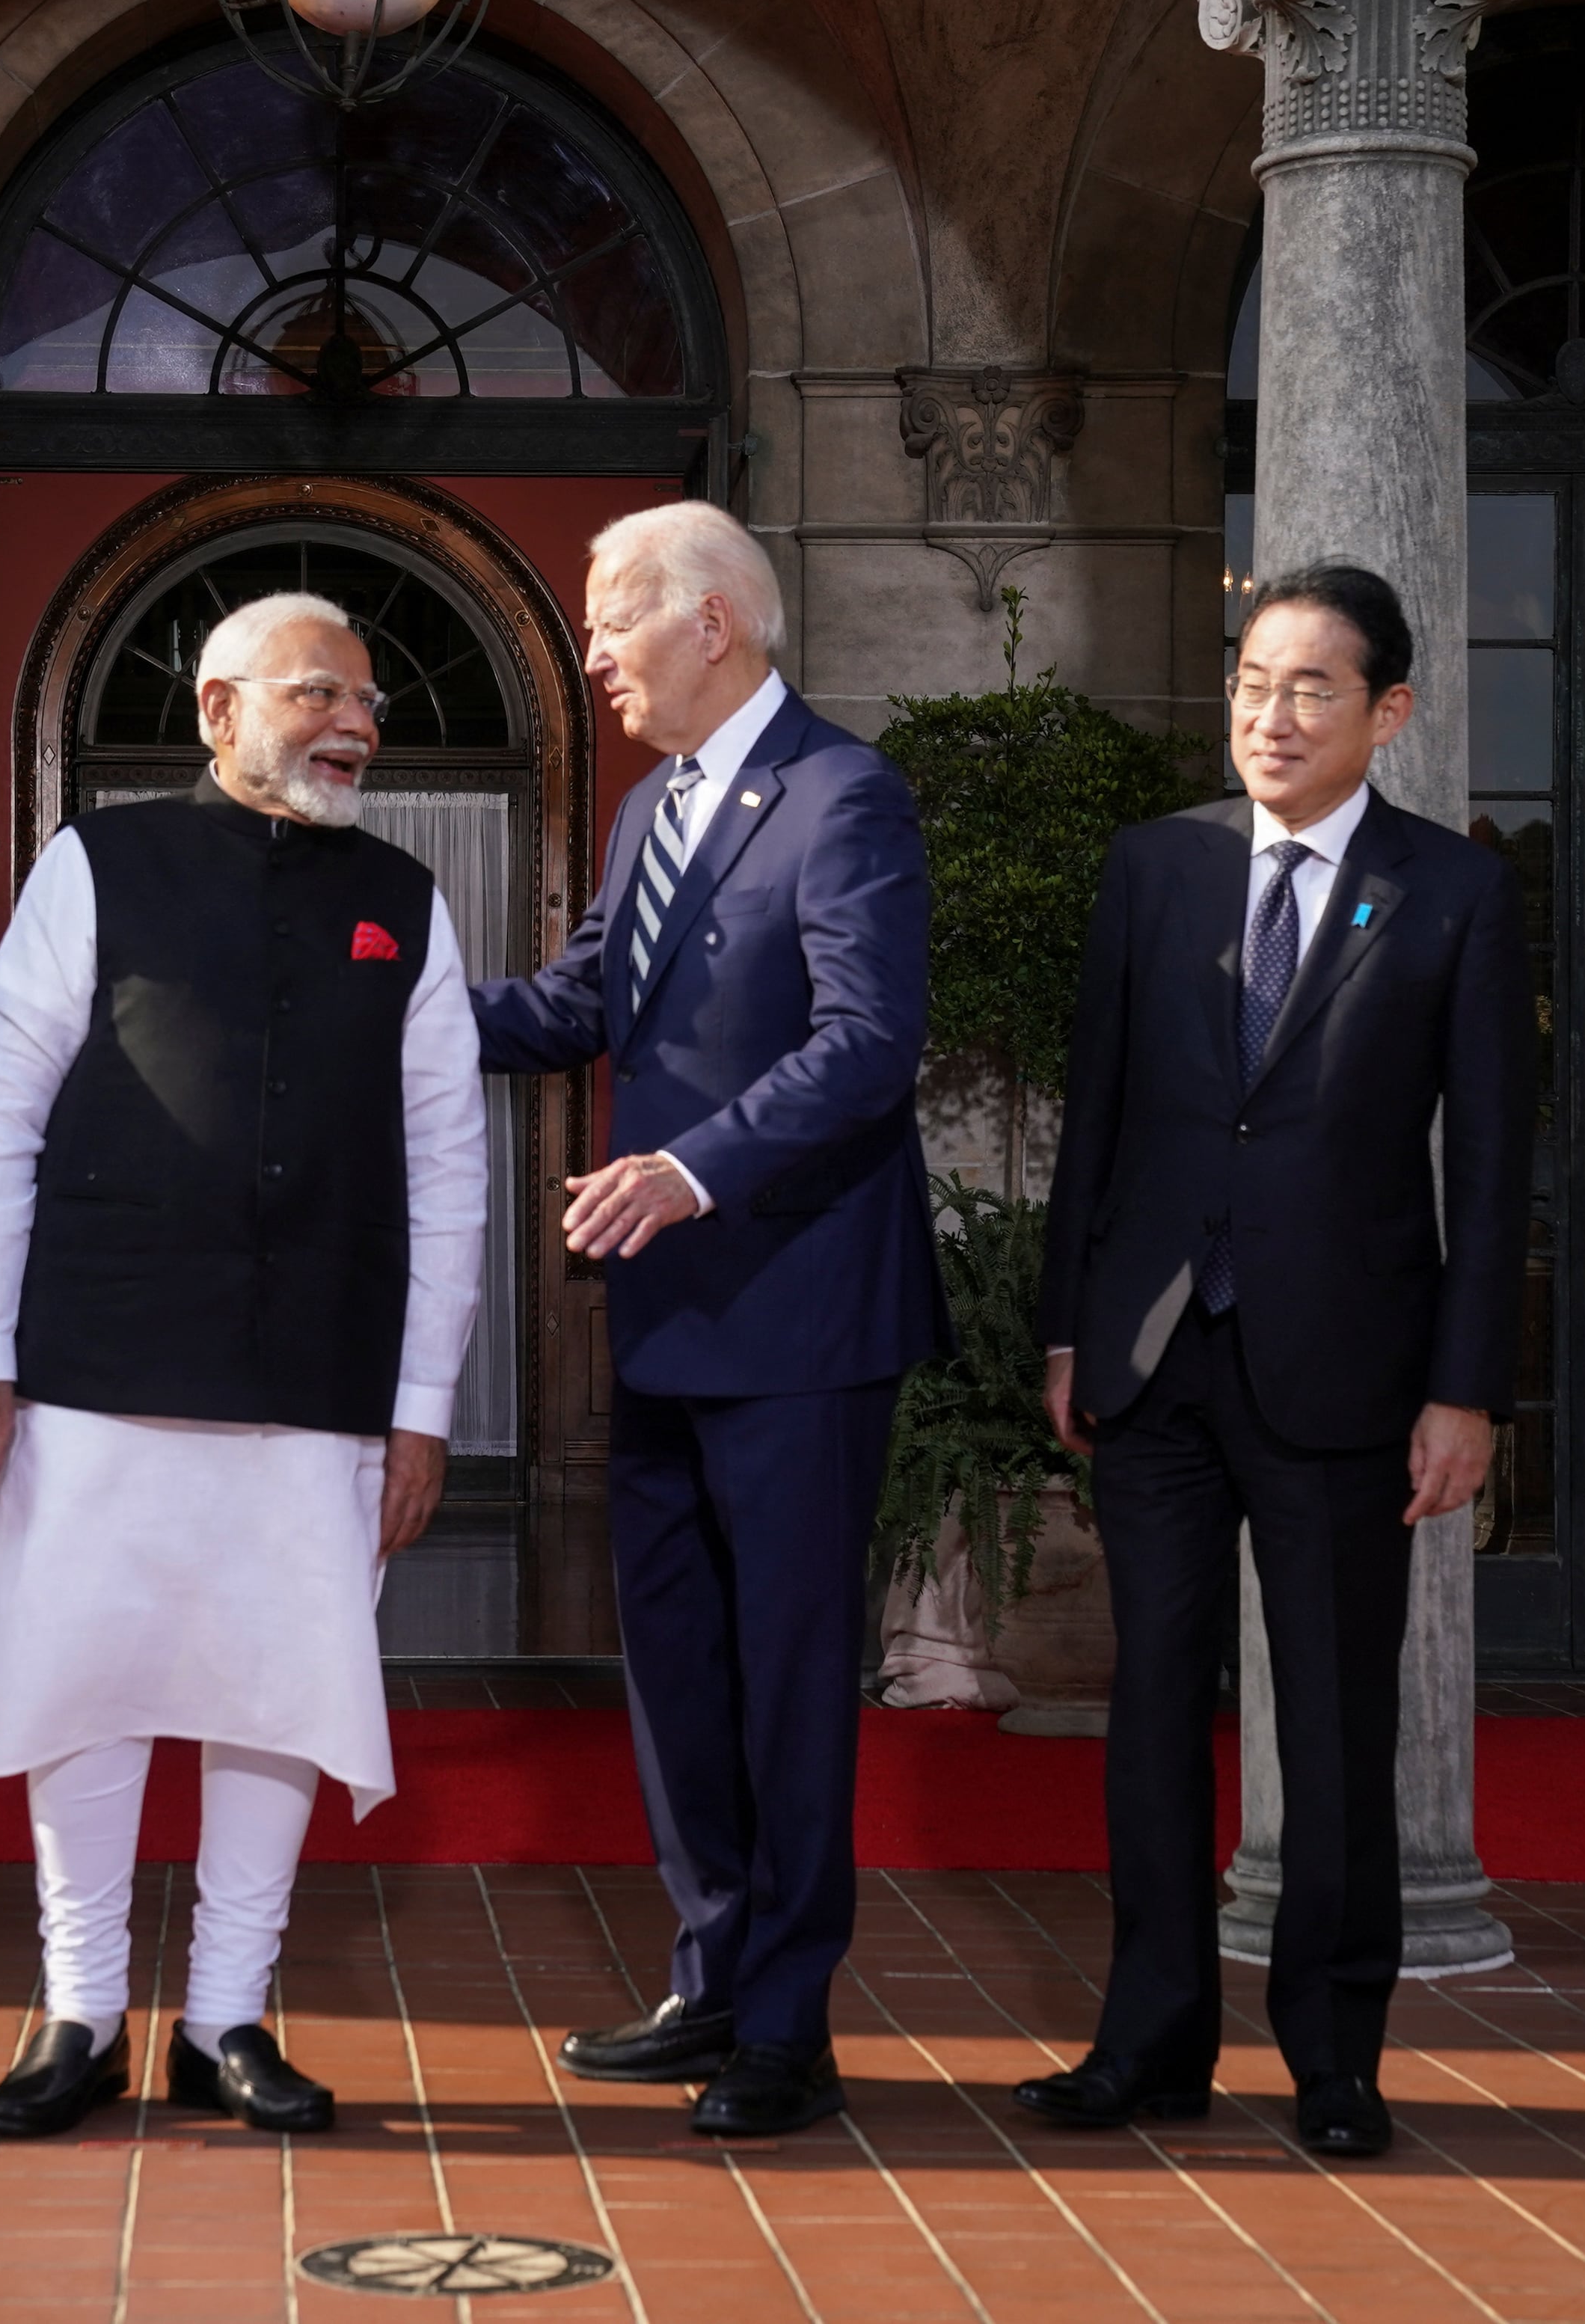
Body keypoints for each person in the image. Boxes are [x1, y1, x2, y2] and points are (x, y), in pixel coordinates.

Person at [0, 591, 485, 2140]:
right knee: (80, 1693)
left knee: (278, 1699)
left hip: (319, 1377)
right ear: (220, 708)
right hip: (94, 1360)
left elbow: (448, 1163)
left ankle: (228, 2014)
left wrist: (423, 1403)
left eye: (367, 700)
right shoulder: (96, 864)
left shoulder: (406, 897)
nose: (353, 722)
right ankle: (81, 2010)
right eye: (318, 691)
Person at [1020, 560, 1536, 2159]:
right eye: (1251, 681)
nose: (1269, 713)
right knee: (1153, 1711)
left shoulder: (1448, 890)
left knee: (1331, 1724)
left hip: (1348, 1376)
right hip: (1157, 1363)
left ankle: (1334, 2051)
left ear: (1387, 710)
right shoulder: (1153, 869)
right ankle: (1150, 2039)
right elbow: (1091, 1116)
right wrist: (1063, 1324)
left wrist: (1468, 1389)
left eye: (1310, 686)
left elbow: (1496, 1161)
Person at [470, 500, 941, 2138]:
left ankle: (790, 2023)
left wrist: (687, 1165)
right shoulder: (650, 807)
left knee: (790, 1673)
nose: (591, 649)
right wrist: (369, 1001)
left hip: (801, 1320)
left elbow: (870, 1042)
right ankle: (710, 1971)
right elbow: (581, 1002)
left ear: (713, 621)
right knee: (674, 1666)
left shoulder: (843, 794)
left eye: (612, 618)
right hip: (664, 1320)